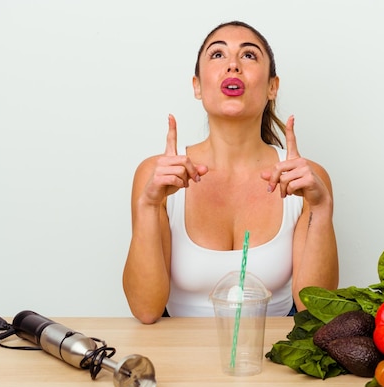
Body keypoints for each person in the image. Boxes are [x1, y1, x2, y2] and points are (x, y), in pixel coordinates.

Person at [122, 21, 338, 324]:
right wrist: (148, 205)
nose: (233, 65)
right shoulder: (157, 174)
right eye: (217, 55)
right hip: (180, 358)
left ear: (272, 86)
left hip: (270, 358)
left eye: (249, 56)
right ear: (197, 86)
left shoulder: (305, 179)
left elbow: (314, 311)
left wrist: (321, 207)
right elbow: (146, 310)